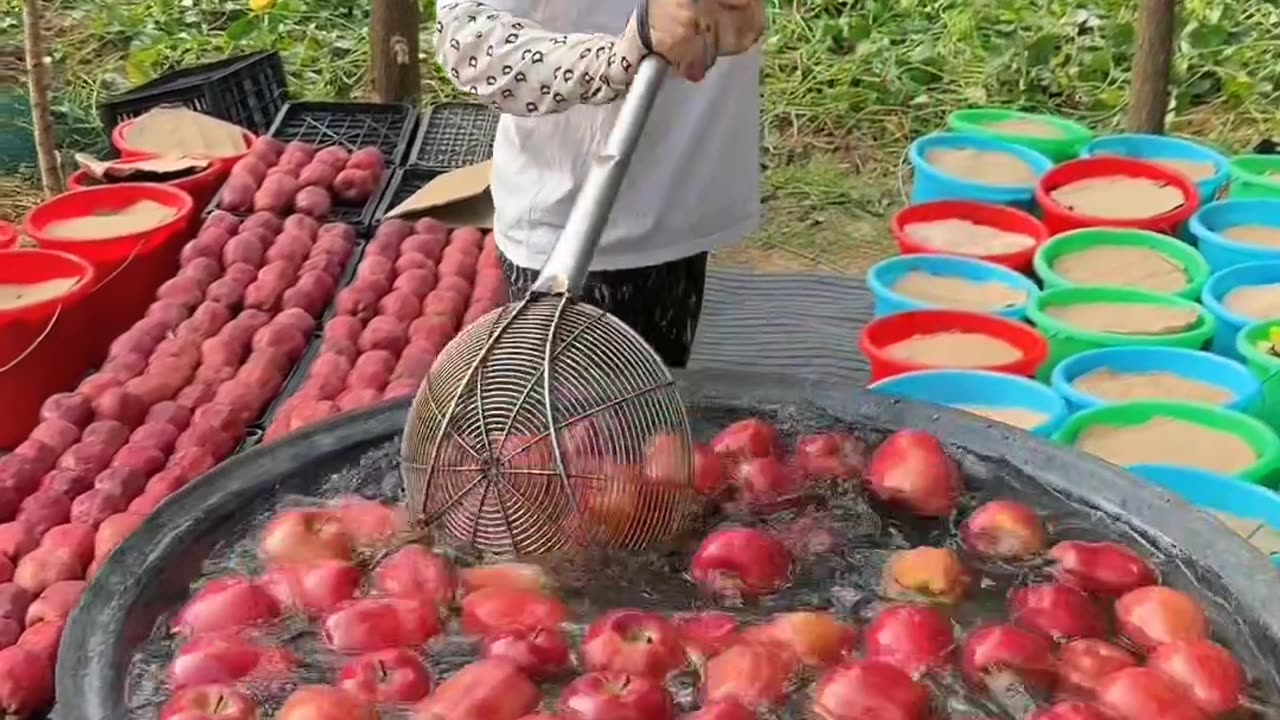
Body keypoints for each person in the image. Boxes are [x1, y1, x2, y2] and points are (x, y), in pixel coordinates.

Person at [432, 0, 766, 367]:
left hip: (685, 207)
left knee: (658, 407)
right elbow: (466, 42)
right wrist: (623, 53)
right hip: (581, 241)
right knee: (593, 421)